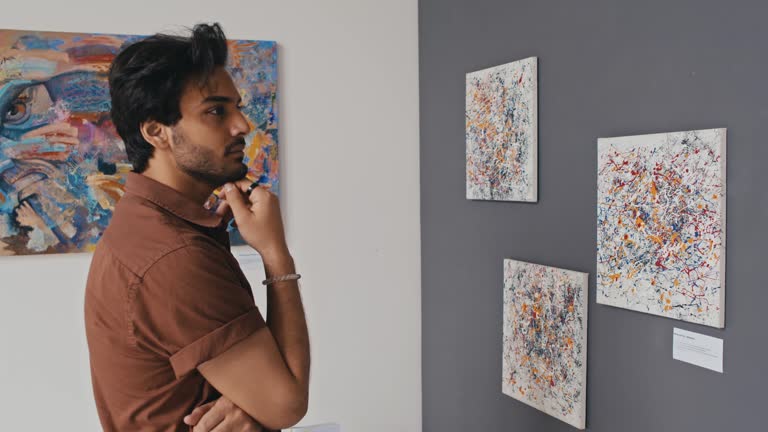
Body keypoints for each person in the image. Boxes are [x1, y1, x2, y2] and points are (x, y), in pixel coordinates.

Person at [84, 23, 310, 432]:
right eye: (216, 110)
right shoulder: (173, 256)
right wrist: (276, 254)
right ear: (156, 131)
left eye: (237, 107)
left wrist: (252, 406)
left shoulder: (147, 224)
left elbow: (263, 399)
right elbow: (286, 403)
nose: (242, 125)